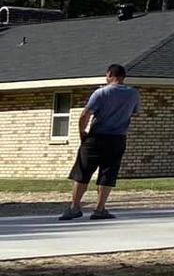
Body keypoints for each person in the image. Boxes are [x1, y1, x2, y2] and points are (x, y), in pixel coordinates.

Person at [59, 64, 141, 222]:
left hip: (96, 137)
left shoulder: (101, 92)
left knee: (82, 172)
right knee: (108, 173)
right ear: (123, 77)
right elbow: (134, 112)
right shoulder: (133, 94)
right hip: (117, 138)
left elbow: (85, 114)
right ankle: (100, 209)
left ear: (110, 74)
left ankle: (74, 207)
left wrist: (82, 133)